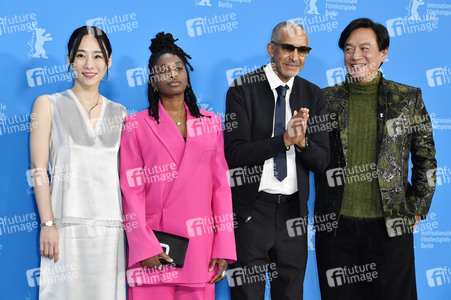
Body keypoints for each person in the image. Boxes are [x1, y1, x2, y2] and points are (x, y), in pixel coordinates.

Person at [314, 18, 437, 300]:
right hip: (337, 230)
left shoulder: (407, 99)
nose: (355, 56)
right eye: (348, 48)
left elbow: (426, 158)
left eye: (365, 48)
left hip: (391, 226)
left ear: (384, 53)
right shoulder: (325, 99)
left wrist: (417, 207)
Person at [119, 32, 236, 300]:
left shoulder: (211, 123)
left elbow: (221, 189)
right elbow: (131, 191)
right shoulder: (136, 124)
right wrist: (143, 246)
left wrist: (223, 247)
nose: (173, 74)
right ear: (152, 81)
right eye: (164, 70)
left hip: (200, 247)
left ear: (187, 74)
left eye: (179, 68)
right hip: (156, 247)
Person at [224, 21, 330, 299]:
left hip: (293, 214)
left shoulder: (313, 94)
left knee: (291, 294)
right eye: (288, 48)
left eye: (302, 50)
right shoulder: (242, 89)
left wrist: (303, 142)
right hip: (251, 211)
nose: (295, 57)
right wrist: (283, 140)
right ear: (271, 49)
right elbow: (235, 154)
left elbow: (322, 163)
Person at [30, 26, 126, 299]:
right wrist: (47, 225)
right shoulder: (48, 104)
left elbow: (123, 178)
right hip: (65, 229)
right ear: (70, 60)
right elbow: (39, 170)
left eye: (98, 57)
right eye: (81, 55)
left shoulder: (120, 113)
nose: (89, 64)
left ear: (108, 62)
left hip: (110, 232)